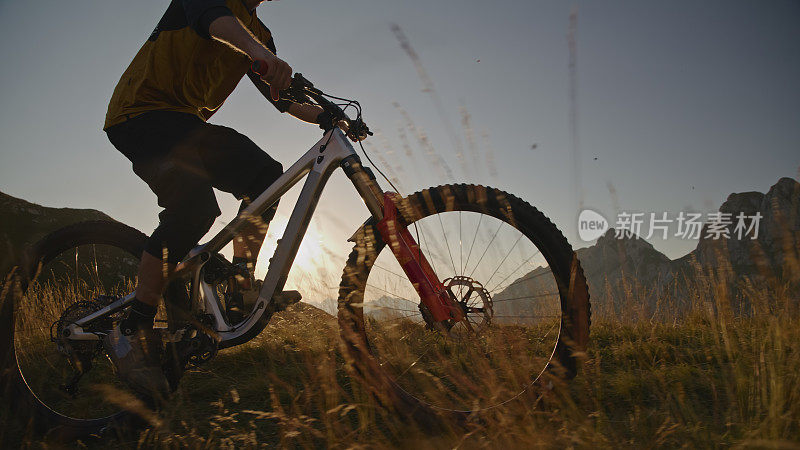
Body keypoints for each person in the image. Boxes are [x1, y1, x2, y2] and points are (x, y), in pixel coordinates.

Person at [102, 0, 357, 399]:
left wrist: (329, 117)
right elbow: (211, 20)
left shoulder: (260, 34)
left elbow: (282, 99)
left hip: (183, 121)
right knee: (194, 208)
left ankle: (241, 284)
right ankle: (130, 330)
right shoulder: (218, 10)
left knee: (265, 177)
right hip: (139, 114)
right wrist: (260, 53)